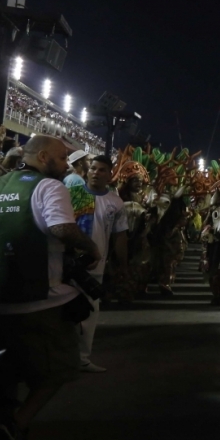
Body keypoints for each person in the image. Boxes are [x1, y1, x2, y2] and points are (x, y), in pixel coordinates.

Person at [0, 134, 101, 440]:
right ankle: (16, 426)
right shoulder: (48, 187)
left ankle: (7, 433)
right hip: (36, 301)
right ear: (44, 157)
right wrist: (90, 247)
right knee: (61, 367)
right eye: (62, 159)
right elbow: (62, 229)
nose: (66, 166)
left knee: (3, 376)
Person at [66, 155, 129, 372]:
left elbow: (120, 236)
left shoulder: (116, 202)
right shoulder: (71, 195)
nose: (95, 172)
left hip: (95, 267)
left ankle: (82, 359)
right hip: (66, 265)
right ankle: (61, 358)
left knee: (90, 314)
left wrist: (122, 264)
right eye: (93, 168)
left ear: (109, 174)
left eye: (102, 169)